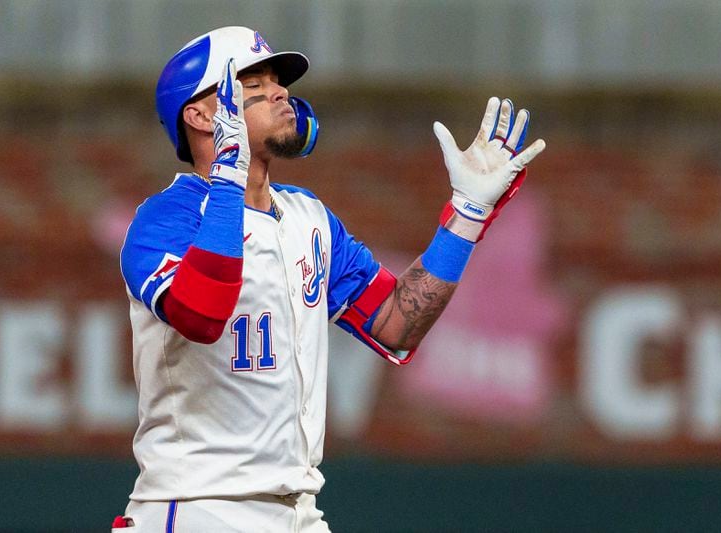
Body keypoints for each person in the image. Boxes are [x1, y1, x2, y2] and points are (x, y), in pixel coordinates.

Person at [113, 25, 545, 532]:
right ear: (201, 114)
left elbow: (395, 327)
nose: (280, 92)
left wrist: (467, 216)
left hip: (300, 509)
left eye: (279, 80)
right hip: (198, 507)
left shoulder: (308, 218)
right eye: (253, 83)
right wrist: (230, 179)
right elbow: (202, 315)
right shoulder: (164, 218)